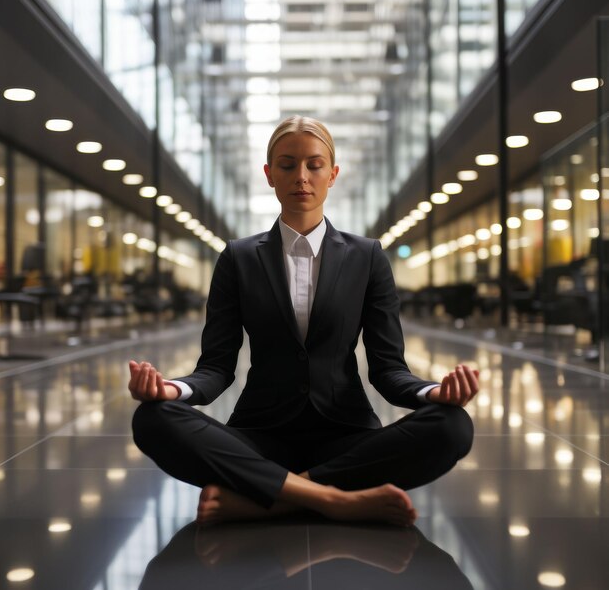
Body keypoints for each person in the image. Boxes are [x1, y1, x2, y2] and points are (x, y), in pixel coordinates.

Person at [130, 115, 479, 527]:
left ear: (333, 175)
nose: (301, 176)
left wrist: (435, 392)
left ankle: (277, 498)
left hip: (347, 436)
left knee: (452, 426)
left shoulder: (367, 257)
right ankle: (335, 499)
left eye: (314, 165)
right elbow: (216, 369)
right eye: (287, 164)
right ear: (269, 175)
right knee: (153, 419)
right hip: (260, 436)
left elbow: (389, 371)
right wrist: (172, 388)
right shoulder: (238, 258)